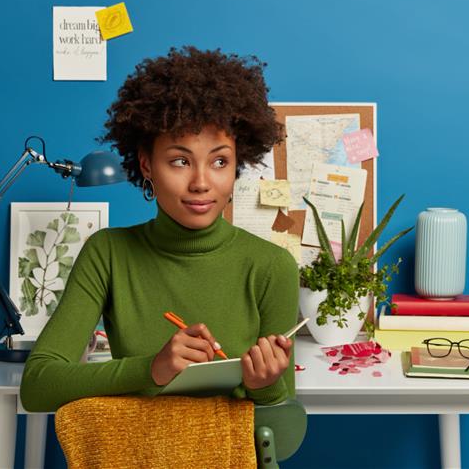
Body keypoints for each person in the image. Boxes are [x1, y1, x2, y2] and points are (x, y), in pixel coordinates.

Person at [20, 46, 299, 413]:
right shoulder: (108, 253)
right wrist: (153, 369)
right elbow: (38, 387)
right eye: (180, 161)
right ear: (147, 164)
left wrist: (262, 385)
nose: (201, 182)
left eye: (219, 161)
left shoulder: (272, 266)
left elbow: (282, 426)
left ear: (237, 165)